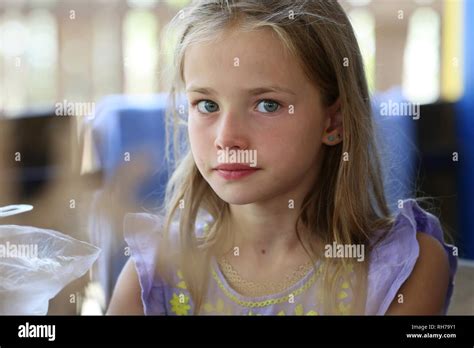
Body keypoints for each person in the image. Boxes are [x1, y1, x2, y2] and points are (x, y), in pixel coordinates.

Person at [107, 0, 457, 315]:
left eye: (267, 104)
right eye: (207, 105)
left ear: (333, 121)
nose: (227, 137)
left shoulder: (402, 268)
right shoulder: (154, 273)